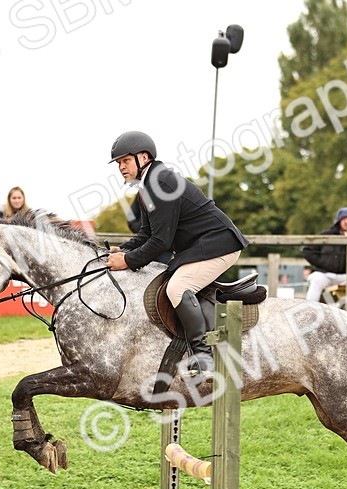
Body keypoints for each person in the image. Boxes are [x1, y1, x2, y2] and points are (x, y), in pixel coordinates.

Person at [105, 130, 248, 376]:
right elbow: (147, 232)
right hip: (202, 246)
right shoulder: (148, 185)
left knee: (177, 288)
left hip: (220, 245)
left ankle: (204, 358)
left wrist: (127, 261)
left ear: (143, 157)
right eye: (118, 163)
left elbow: (161, 241)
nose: (121, 167)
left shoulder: (160, 183)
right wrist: (125, 249)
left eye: (125, 161)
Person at [301, 207, 347, 304]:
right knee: (317, 280)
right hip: (324, 274)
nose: (346, 222)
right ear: (339, 221)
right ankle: (309, 308)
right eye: (344, 219)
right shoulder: (326, 235)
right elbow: (307, 250)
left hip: (345, 276)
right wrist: (321, 262)